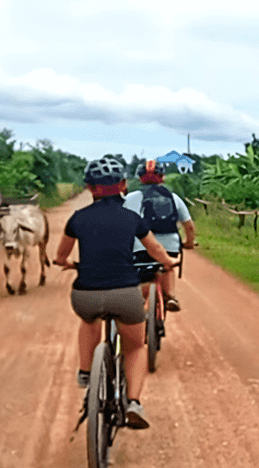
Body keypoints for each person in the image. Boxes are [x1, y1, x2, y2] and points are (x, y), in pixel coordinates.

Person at [54, 157, 179, 430]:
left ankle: (86, 372)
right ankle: (133, 402)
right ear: (122, 185)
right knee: (135, 346)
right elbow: (156, 250)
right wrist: (169, 263)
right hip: (125, 294)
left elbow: (60, 257)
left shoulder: (78, 218)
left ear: (89, 188)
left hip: (85, 295)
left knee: (89, 321)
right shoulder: (132, 218)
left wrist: (70, 264)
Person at [123, 159, 196, 312]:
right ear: (162, 177)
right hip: (170, 245)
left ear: (140, 178)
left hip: (140, 247)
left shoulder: (130, 198)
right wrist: (189, 242)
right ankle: (169, 296)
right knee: (167, 265)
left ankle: (141, 308)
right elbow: (189, 226)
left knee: (142, 281)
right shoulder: (173, 198)